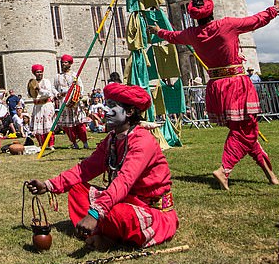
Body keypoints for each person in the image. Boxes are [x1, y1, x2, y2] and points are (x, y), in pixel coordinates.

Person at [148, 0, 279, 190]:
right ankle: (225, 169)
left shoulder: (192, 34)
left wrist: (158, 31)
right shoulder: (226, 25)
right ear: (212, 10)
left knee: (244, 131)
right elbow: (256, 20)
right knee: (246, 131)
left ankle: (270, 174)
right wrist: (276, 9)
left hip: (216, 85)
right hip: (235, 83)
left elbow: (173, 37)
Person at [25, 83, 178, 250]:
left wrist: (95, 213)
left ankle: (106, 235)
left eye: (112, 106)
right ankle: (103, 231)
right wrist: (49, 185)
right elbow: (85, 169)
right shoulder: (112, 138)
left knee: (118, 214)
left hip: (150, 210)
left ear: (129, 112)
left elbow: (124, 181)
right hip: (124, 199)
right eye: (106, 104)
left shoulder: (142, 141)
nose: (104, 110)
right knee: (78, 190)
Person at [55, 55, 90, 149]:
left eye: (65, 62)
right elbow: (54, 88)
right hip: (64, 102)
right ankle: (74, 142)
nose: (63, 64)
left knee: (79, 124)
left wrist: (79, 96)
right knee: (69, 126)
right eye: (62, 62)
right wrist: (57, 94)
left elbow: (80, 86)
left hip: (74, 101)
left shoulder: (75, 75)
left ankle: (85, 142)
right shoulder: (58, 76)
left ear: (70, 64)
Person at [29, 64, 56, 149]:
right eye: (37, 72)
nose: (39, 73)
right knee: (38, 126)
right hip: (37, 106)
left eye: (41, 72)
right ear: (34, 73)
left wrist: (39, 90)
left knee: (48, 125)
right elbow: (29, 94)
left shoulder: (46, 81)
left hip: (46, 105)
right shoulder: (32, 83)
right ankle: (41, 144)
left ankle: (51, 144)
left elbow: (48, 92)